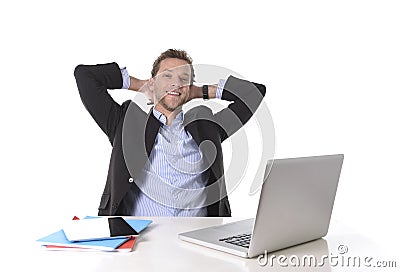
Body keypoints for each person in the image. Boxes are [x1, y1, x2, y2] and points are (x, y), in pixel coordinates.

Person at [74, 49, 266, 217]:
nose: (176, 84)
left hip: (197, 240)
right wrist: (140, 84)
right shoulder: (124, 123)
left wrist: (201, 91)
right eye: (167, 76)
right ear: (153, 82)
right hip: (142, 241)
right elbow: (85, 76)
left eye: (183, 79)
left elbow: (255, 93)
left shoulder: (207, 127)